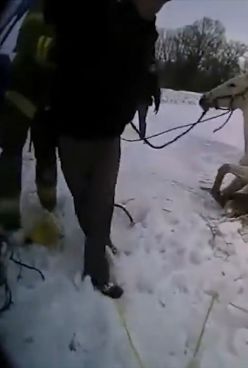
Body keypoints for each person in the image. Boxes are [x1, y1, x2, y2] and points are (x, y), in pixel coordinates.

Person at [43, 0, 166, 298]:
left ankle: (97, 272)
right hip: (72, 134)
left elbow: (141, 63)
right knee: (84, 199)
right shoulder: (95, 19)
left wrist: (148, 80)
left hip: (109, 137)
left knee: (101, 200)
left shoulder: (144, 31)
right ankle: (96, 236)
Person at [0, 0, 59, 245]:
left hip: (47, 94)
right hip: (24, 88)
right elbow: (28, 39)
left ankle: (49, 205)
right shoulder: (38, 7)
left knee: (45, 151)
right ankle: (8, 220)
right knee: (12, 151)